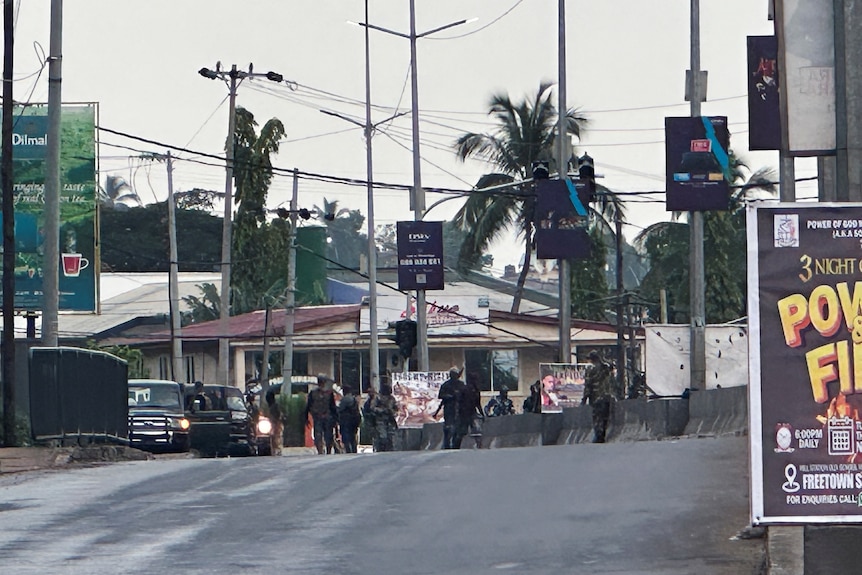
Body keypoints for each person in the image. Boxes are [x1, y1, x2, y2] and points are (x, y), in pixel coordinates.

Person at [581, 350, 615, 443]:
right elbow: (612, 369)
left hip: (596, 398)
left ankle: (599, 435)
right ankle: (603, 433)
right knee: (605, 417)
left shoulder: (591, 370)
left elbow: (588, 385)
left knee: (597, 417)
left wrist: (584, 399)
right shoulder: (605, 368)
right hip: (607, 397)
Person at [304, 374, 338, 454]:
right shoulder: (313, 393)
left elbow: (332, 407)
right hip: (318, 417)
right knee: (318, 436)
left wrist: (335, 418)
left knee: (328, 435)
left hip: (327, 417)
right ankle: (320, 451)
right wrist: (306, 418)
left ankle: (328, 450)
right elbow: (308, 406)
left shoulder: (329, 393)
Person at [434, 367, 466, 449]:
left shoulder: (461, 385)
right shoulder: (446, 385)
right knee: (448, 427)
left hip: (460, 408)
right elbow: (441, 396)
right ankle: (447, 443)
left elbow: (466, 396)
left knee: (458, 427)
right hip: (449, 408)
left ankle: (456, 443)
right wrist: (450, 396)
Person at [369, 383, 399, 452]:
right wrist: (381, 410)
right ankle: (382, 449)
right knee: (383, 436)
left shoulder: (391, 399)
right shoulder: (378, 398)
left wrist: (393, 412)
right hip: (380, 420)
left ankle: (389, 449)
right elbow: (372, 408)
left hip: (390, 420)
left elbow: (396, 408)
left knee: (390, 436)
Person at [461, 372, 485, 449]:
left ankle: (479, 444)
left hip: (471, 412)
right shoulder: (466, 389)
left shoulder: (475, 390)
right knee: (464, 430)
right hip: (465, 412)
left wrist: (482, 414)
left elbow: (478, 403)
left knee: (476, 430)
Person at [337, 384, 362, 454]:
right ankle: (354, 450)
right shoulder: (353, 398)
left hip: (347, 421)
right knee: (352, 437)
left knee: (346, 437)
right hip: (354, 421)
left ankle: (348, 451)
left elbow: (340, 409)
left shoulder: (345, 399)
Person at [265, 388, 284, 456]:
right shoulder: (271, 406)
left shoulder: (275, 405)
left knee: (277, 437)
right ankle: (274, 450)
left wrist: (277, 423)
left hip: (276, 423)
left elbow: (279, 415)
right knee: (273, 438)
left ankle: (278, 450)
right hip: (272, 423)